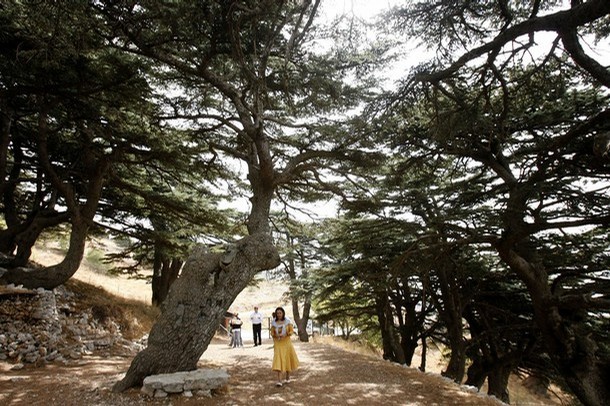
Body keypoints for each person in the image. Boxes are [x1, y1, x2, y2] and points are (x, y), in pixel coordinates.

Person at [270, 307, 299, 387]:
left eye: (280, 313)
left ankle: (287, 376)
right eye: (277, 313)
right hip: (278, 343)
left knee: (287, 358)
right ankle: (279, 380)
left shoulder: (287, 321)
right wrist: (276, 335)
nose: (279, 314)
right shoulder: (274, 323)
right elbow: (272, 333)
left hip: (286, 342)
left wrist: (286, 334)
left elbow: (291, 331)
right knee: (278, 358)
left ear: (283, 313)